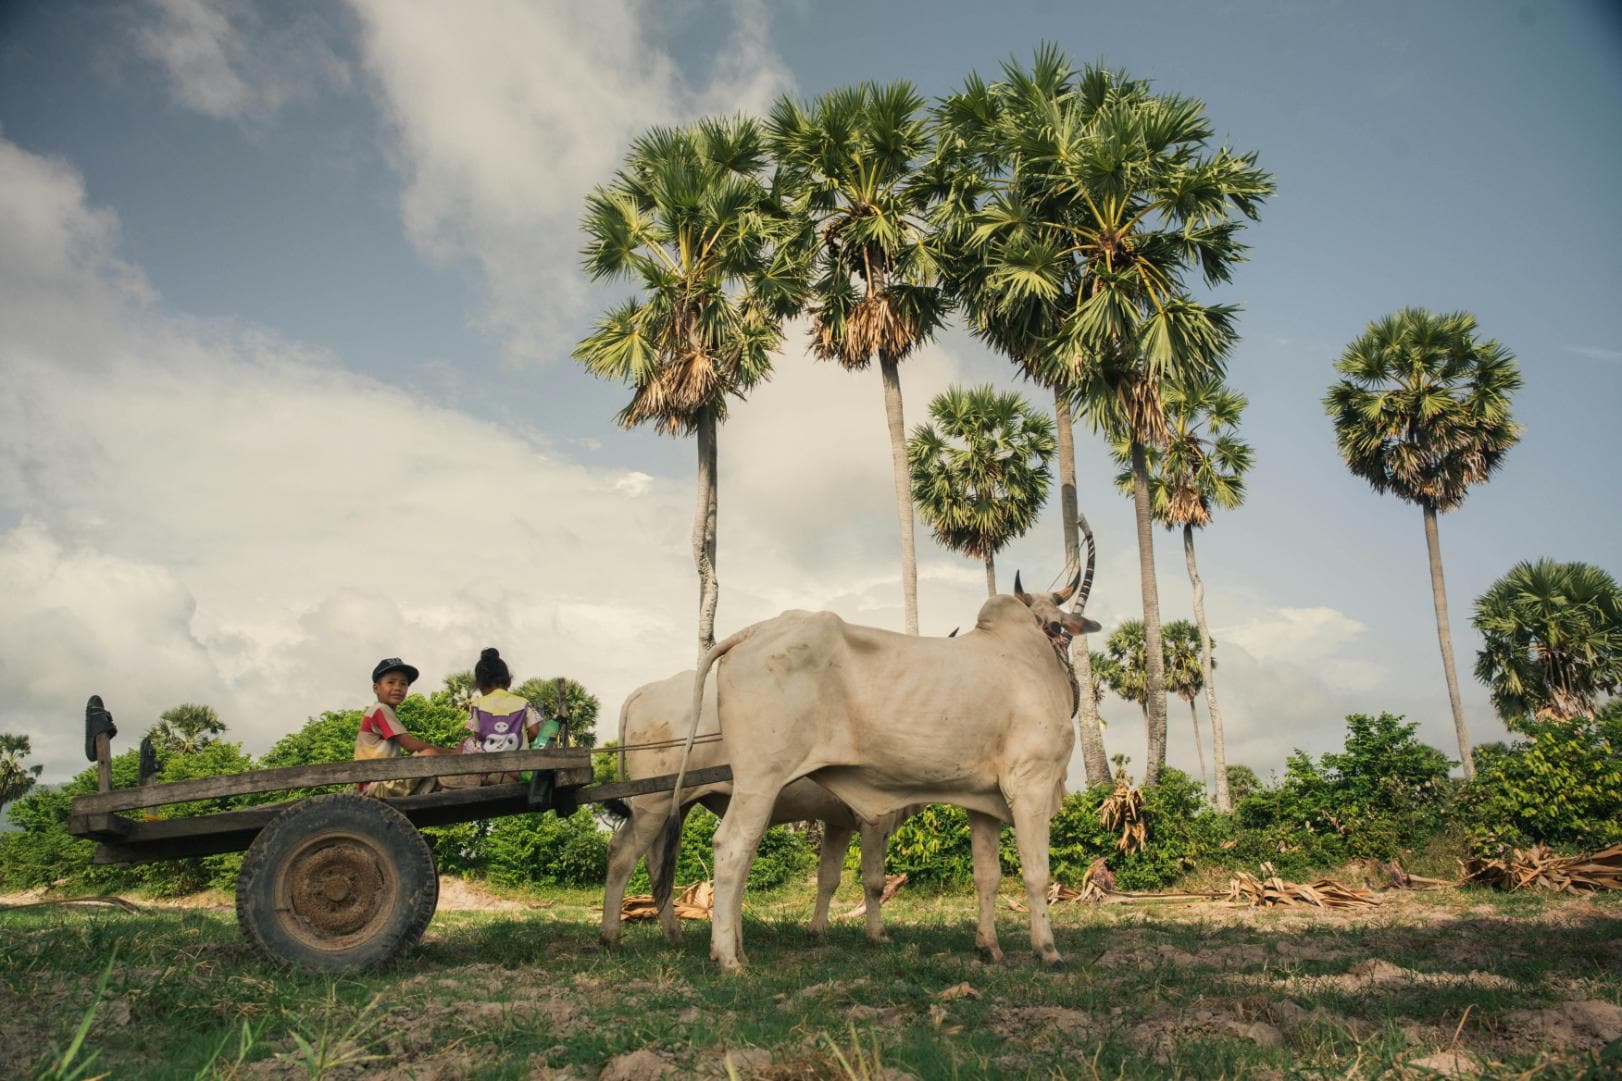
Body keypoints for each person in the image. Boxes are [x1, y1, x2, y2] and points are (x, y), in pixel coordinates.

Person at [449, 647, 559, 785]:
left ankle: (472, 777)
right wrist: (520, 738)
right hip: (518, 768)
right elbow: (535, 731)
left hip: (488, 768)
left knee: (467, 742)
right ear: (509, 681)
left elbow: (477, 737)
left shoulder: (477, 704)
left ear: (480, 685)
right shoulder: (523, 702)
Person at [355, 657, 454, 797]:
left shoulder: (381, 711)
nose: (397, 688)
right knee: (428, 754)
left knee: (429, 764)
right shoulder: (380, 710)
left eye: (403, 684)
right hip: (376, 785)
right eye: (391, 682)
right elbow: (410, 745)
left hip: (379, 780)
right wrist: (453, 753)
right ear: (376, 688)